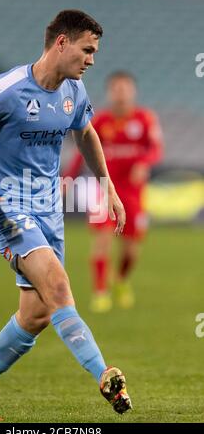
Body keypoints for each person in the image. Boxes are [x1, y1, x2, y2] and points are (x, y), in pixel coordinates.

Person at [0, 10, 132, 422]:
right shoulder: (6, 89)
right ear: (61, 43)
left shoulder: (74, 91)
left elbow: (85, 132)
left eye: (94, 52)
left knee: (38, 313)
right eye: (87, 49)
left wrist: (109, 188)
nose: (92, 60)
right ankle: (105, 374)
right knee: (59, 285)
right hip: (7, 207)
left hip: (49, 210)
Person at [63, 71, 163, 313]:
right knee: (102, 238)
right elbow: (81, 150)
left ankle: (120, 279)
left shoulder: (145, 118)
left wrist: (144, 163)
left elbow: (156, 149)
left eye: (125, 88)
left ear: (133, 91)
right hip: (104, 188)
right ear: (109, 92)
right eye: (116, 89)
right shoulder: (100, 121)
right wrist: (68, 178)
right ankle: (100, 292)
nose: (120, 93)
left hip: (133, 192)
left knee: (130, 249)